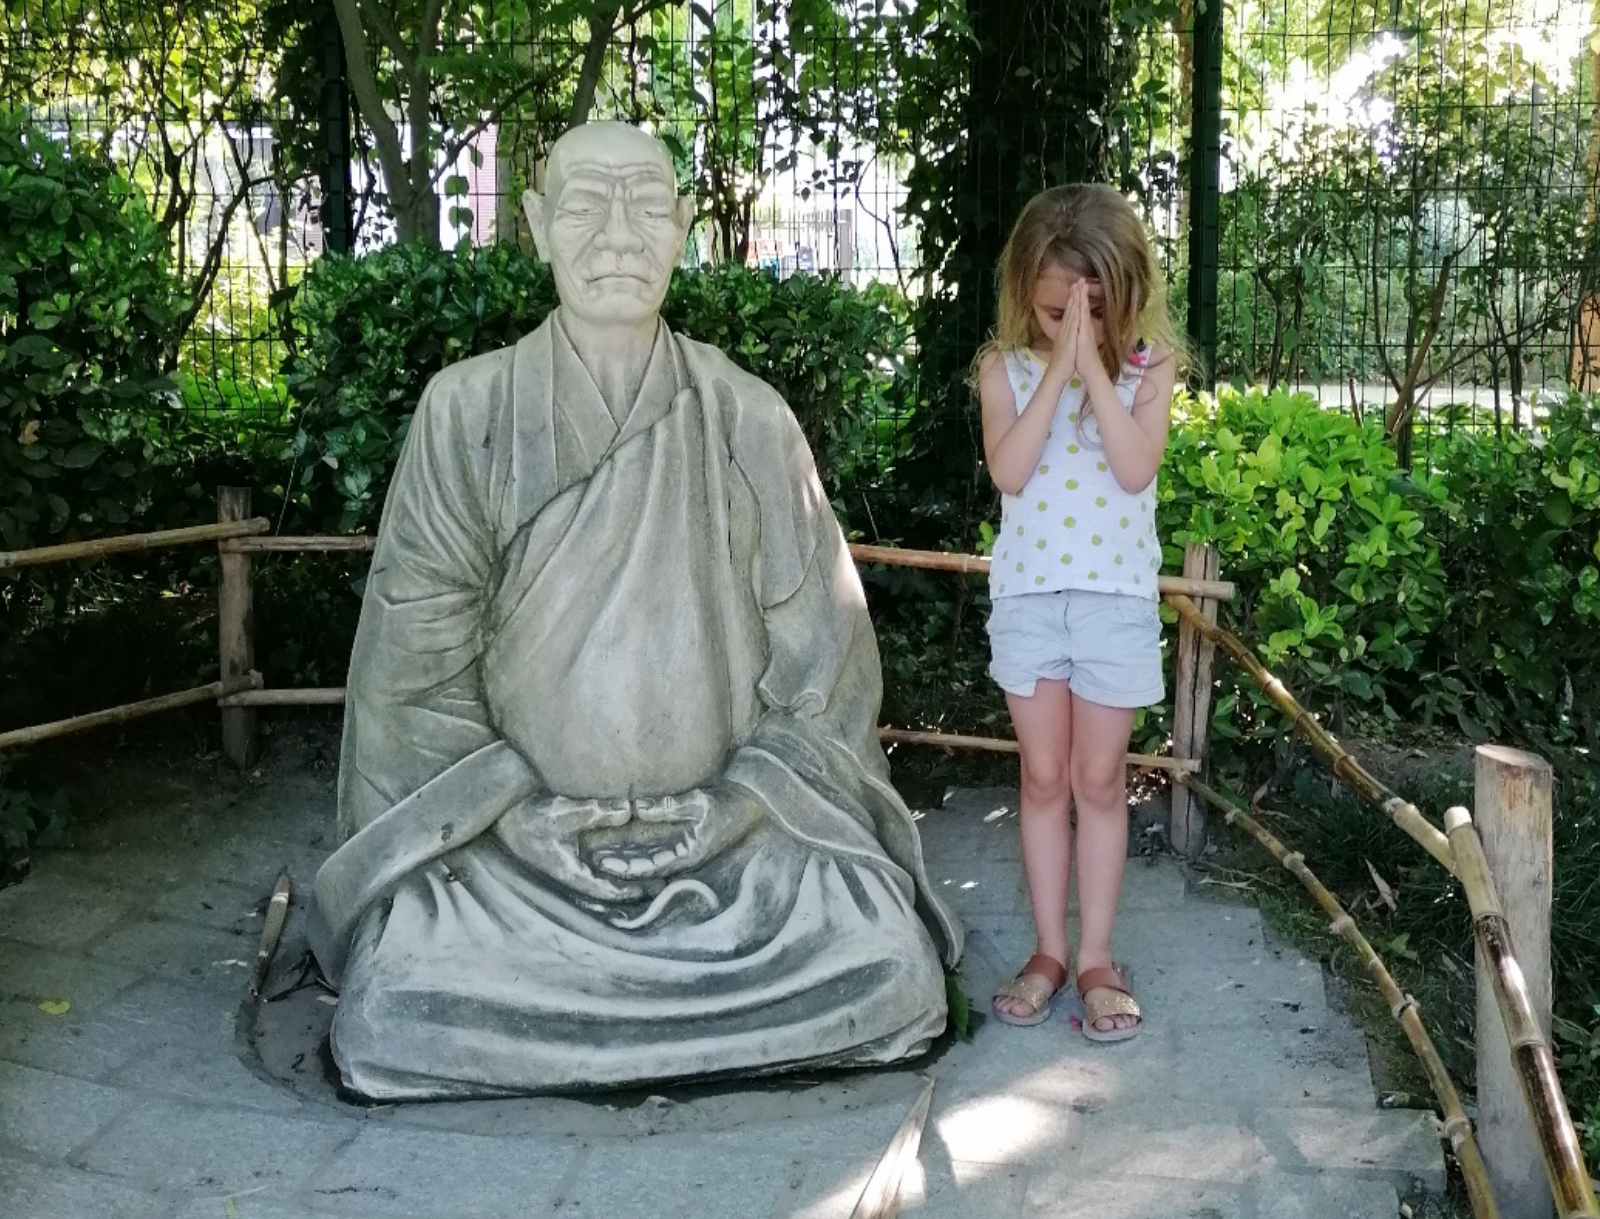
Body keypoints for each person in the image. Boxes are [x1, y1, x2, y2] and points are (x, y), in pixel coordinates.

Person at [308, 120, 959, 1101]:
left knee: (889, 971)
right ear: (535, 224)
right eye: (585, 204)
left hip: (734, 848)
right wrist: (518, 817)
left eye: (646, 205)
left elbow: (823, 676)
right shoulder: (465, 412)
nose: (617, 233)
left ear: (684, 226)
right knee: (396, 1002)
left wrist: (738, 805)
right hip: (509, 858)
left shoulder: (747, 414)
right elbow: (412, 676)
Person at [973, 184, 1179, 1040]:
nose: (1073, 328)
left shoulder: (1150, 367)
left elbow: (1133, 470)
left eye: (1092, 314)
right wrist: (1057, 371)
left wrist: (1095, 370)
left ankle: (1096, 956)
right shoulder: (1003, 368)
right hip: (1029, 601)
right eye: (1057, 313)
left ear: (1125, 296)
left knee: (1098, 781)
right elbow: (1010, 472)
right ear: (1025, 293)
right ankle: (1049, 950)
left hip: (1114, 606)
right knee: (1042, 778)